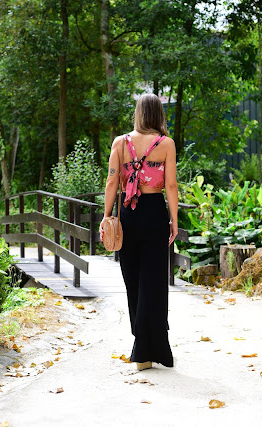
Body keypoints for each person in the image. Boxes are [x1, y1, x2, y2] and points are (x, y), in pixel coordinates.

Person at [100, 93, 178, 371]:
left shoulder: (120, 143)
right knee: (154, 283)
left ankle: (141, 349)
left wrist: (107, 216)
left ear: (138, 113)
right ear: (159, 114)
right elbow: (170, 186)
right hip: (155, 212)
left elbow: (111, 182)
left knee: (132, 280)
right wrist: (174, 219)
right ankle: (150, 348)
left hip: (128, 214)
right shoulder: (166, 144)